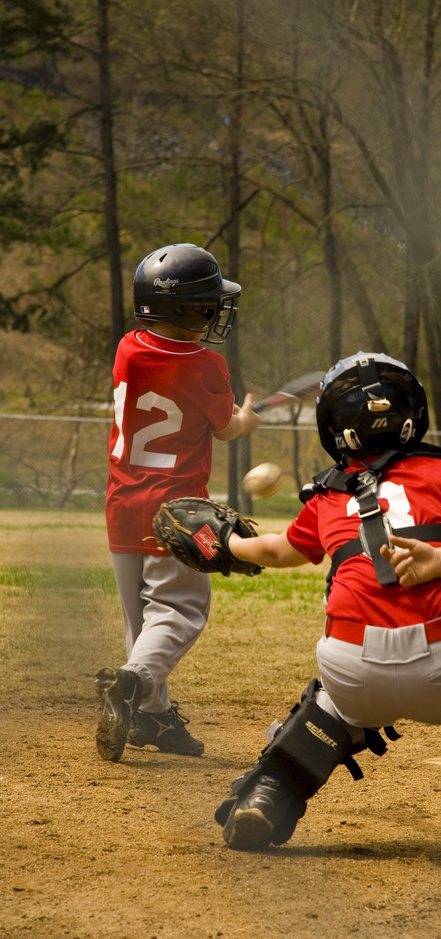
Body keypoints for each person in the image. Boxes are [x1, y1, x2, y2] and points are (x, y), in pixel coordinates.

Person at [213, 352, 441, 869]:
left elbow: (277, 551)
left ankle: (268, 794)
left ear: (335, 430)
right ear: (413, 416)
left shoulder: (327, 495)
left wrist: (228, 545)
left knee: (330, 697)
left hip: (352, 671)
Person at [96, 243, 259, 763]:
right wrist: (246, 420)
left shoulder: (127, 347)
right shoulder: (207, 365)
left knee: (139, 621)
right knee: (179, 611)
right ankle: (135, 683)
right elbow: (226, 429)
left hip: (122, 504)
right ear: (192, 312)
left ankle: (152, 717)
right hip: (177, 512)